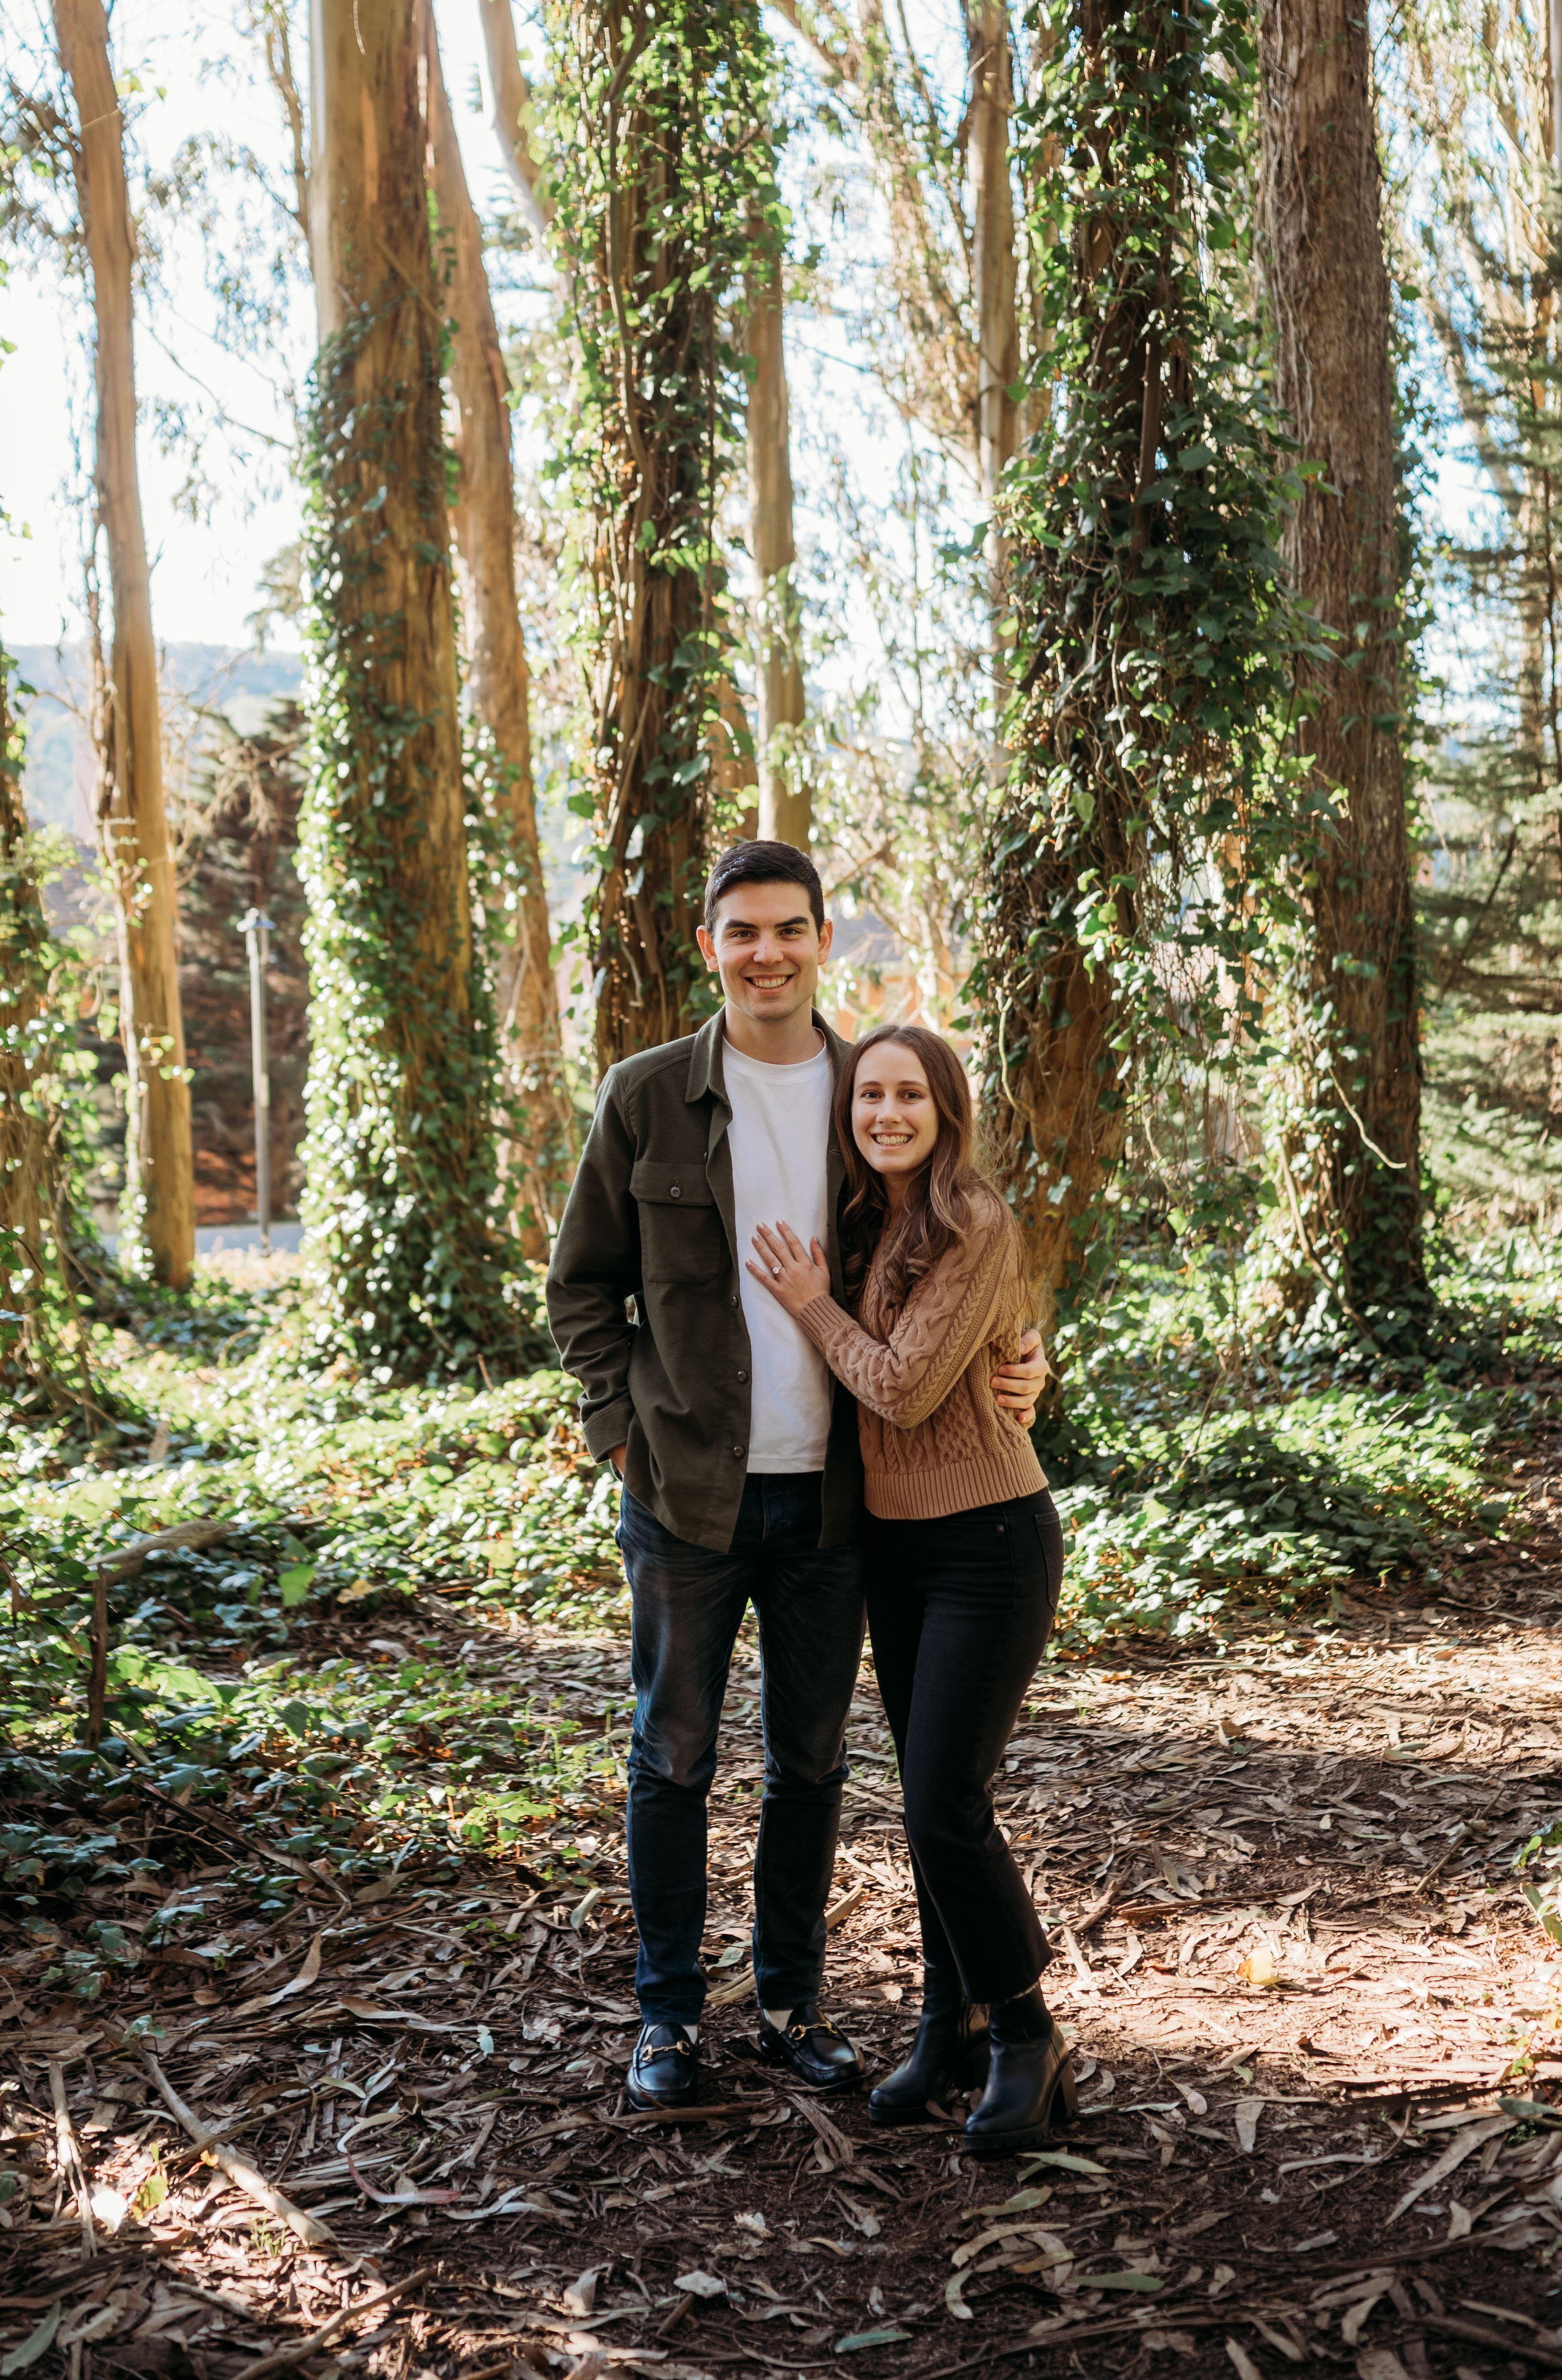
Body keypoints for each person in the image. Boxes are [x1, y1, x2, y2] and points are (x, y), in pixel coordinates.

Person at [546, 841, 1051, 2113]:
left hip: (835, 1500)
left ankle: (789, 2004)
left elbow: (953, 1250)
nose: (765, 953)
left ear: (825, 941)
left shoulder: (862, 1093)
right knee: (672, 1756)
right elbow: (581, 1287)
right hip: (685, 1495)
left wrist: (1024, 1352)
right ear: (709, 946)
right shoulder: (647, 1096)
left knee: (810, 1765)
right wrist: (621, 1433)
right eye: (742, 931)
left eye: (789, 929)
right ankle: (667, 2018)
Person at [743, 1022, 1074, 2154]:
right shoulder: (869, 1218)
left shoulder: (971, 1219)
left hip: (991, 1542)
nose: (886, 1114)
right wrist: (1028, 1350)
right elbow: (994, 1338)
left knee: (943, 1800)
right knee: (930, 1800)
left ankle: (1028, 2034)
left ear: (946, 1111)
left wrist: (810, 1301)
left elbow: (903, 1387)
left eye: (909, 1096)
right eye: (868, 1097)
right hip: (895, 1548)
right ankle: (952, 2026)